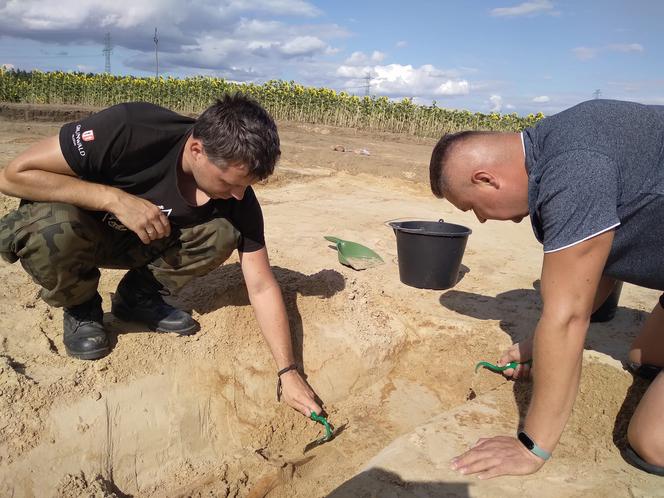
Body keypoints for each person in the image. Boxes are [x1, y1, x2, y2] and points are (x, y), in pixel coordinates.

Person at [0, 94, 322, 418]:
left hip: (138, 243)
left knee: (223, 231)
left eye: (245, 185)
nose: (238, 194)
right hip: (79, 231)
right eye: (229, 182)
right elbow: (12, 176)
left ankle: (137, 298)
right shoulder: (130, 129)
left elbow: (262, 286)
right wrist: (113, 199)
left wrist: (288, 371)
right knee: (48, 226)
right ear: (197, 150)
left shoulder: (238, 200)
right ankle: (81, 306)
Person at [428, 99, 664, 477]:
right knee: (644, 358)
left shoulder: (574, 169)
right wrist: (538, 344)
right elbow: (597, 265)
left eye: (473, 207)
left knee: (653, 443)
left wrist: (532, 447)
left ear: (486, 178)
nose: (483, 220)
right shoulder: (558, 140)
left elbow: (569, 316)